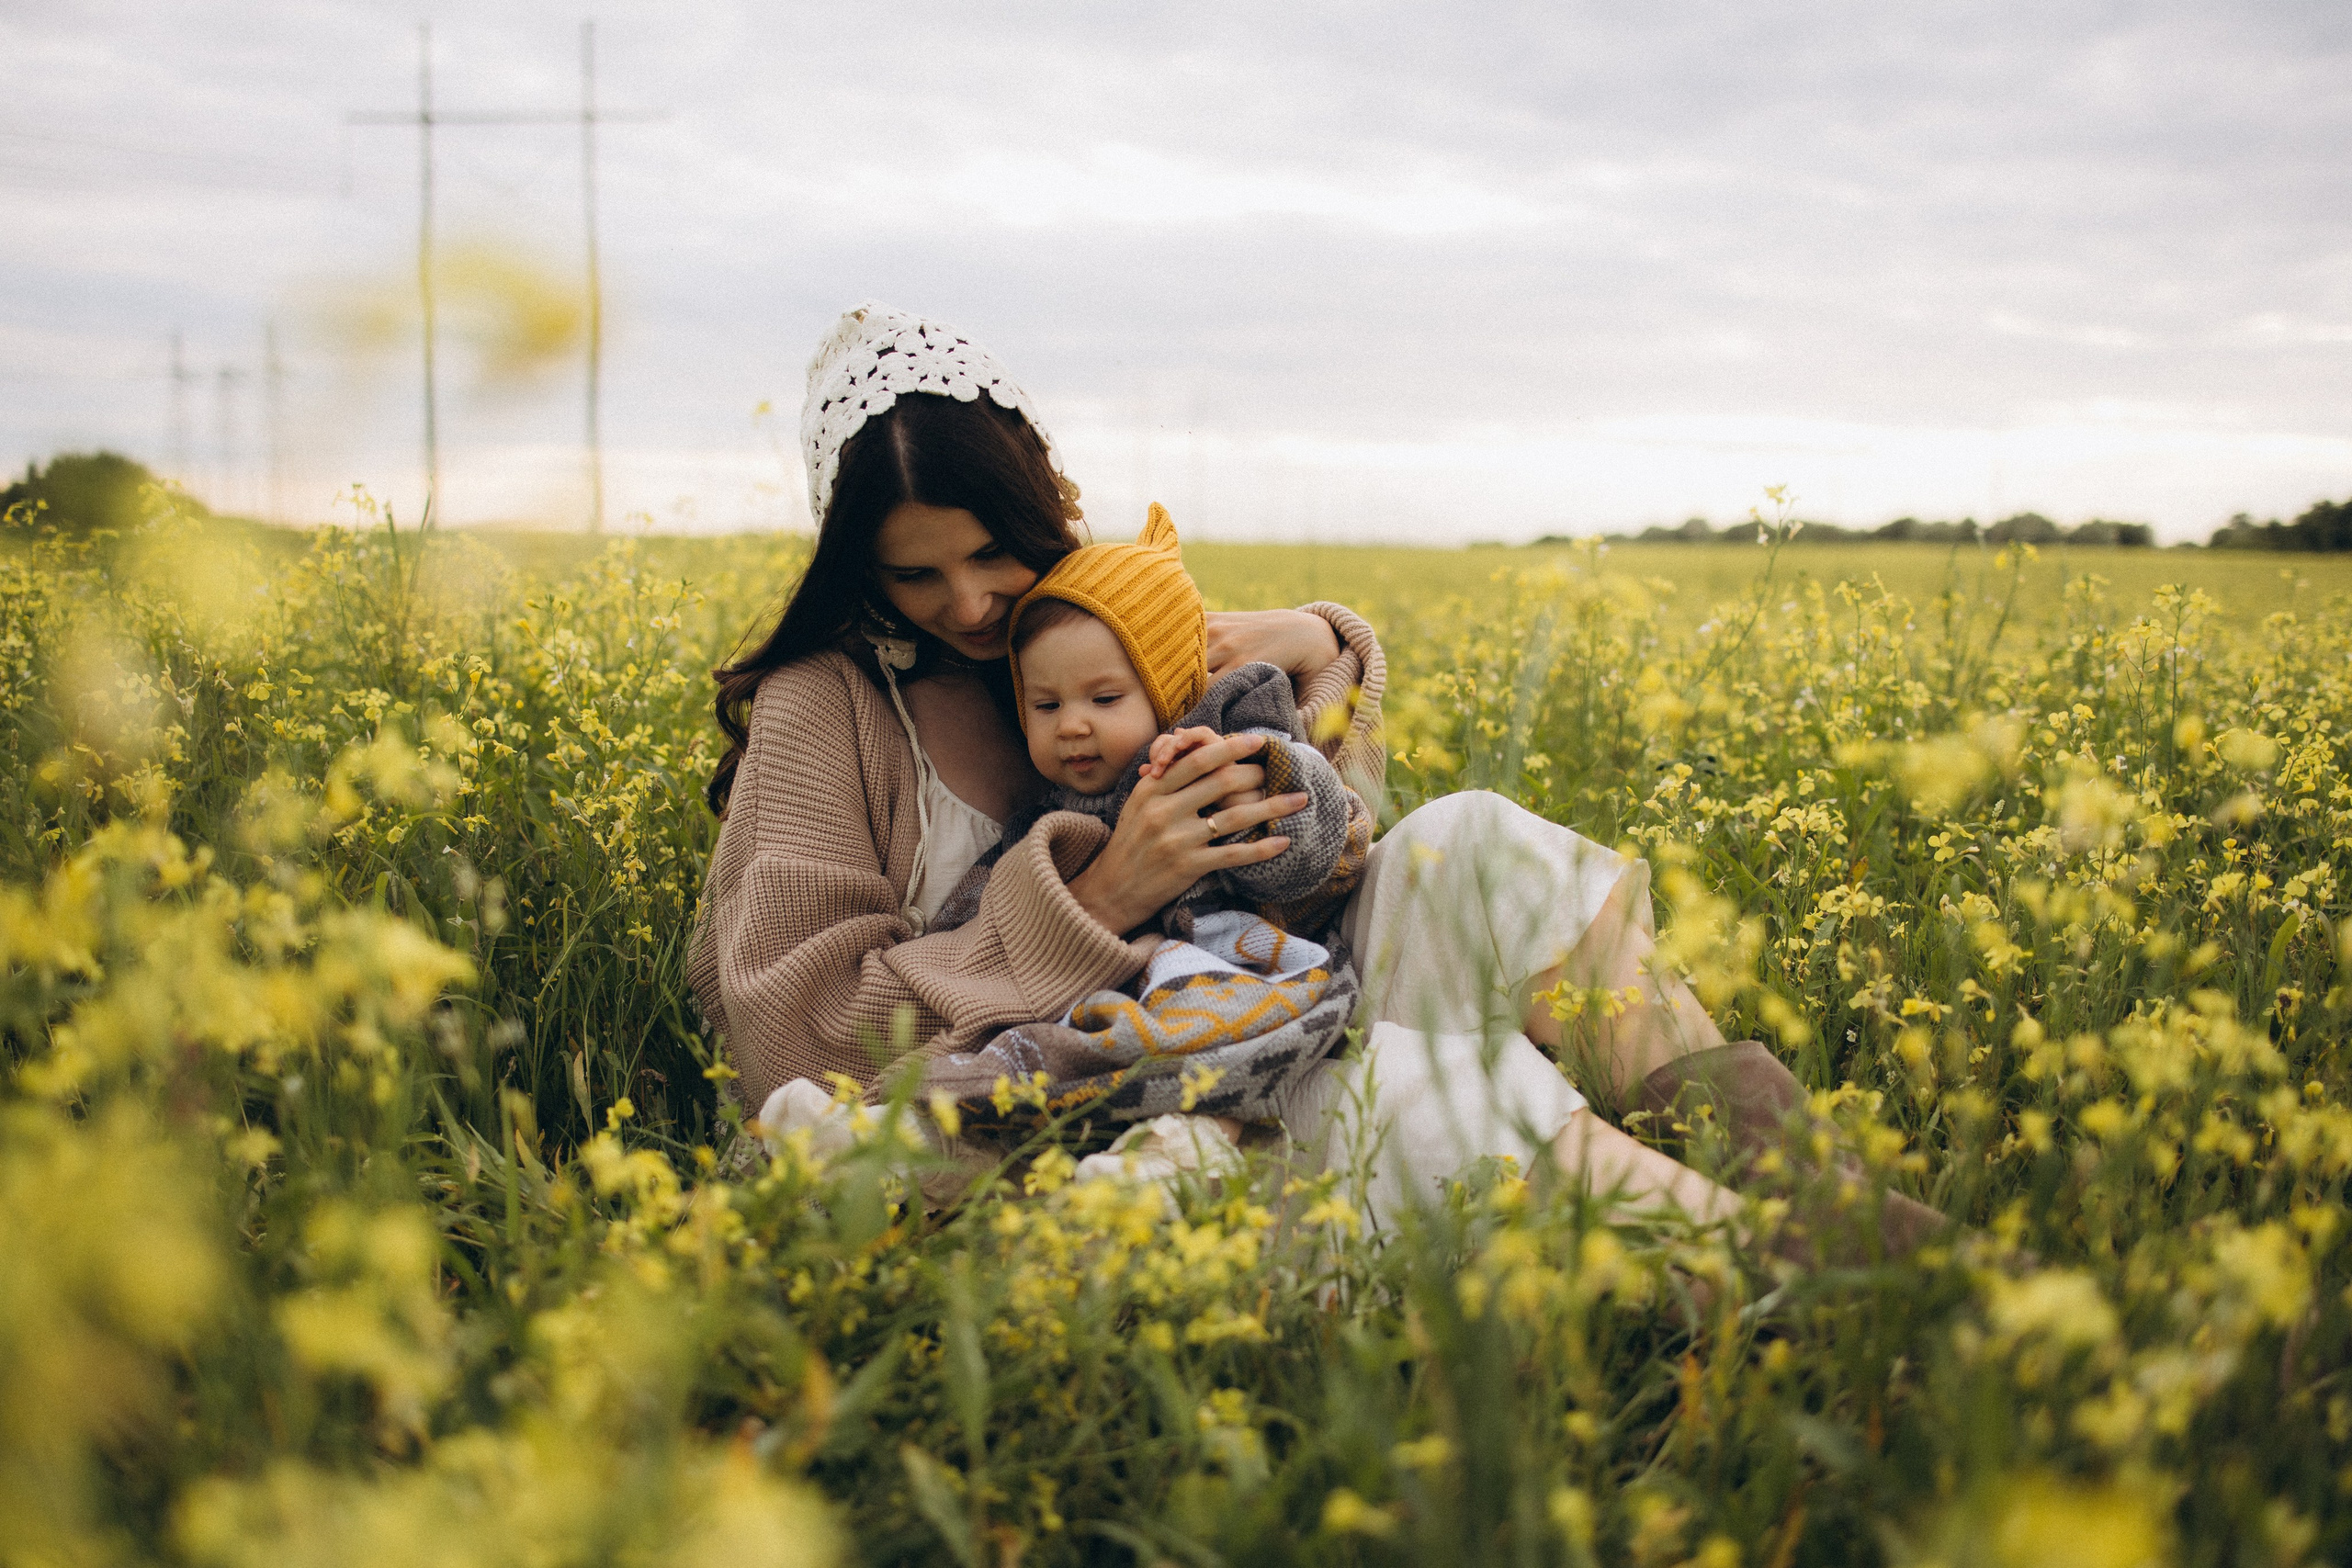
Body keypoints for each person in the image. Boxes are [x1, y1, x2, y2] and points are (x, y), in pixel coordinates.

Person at [689, 299, 1941, 1257]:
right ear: (856, 569)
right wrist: (1103, 893)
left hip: (1240, 1021)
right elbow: (793, 1040)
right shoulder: (826, 708)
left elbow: (1322, 827)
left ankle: (1809, 1187)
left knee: (1477, 845)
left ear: (1044, 513)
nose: (968, 602)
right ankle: (1821, 1289)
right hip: (1069, 1129)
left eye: (991, 555)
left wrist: (1324, 643)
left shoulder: (1076, 643)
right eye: (916, 576)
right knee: (1407, 1092)